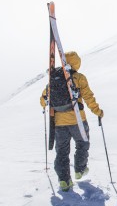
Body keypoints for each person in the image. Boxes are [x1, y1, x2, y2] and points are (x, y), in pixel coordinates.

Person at [41, 51, 104, 192]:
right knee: (82, 143)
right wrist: (98, 112)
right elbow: (88, 97)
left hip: (59, 123)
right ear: (76, 63)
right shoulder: (79, 78)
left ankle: (64, 181)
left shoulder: (54, 78)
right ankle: (80, 170)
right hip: (77, 120)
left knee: (62, 151)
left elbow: (43, 100)